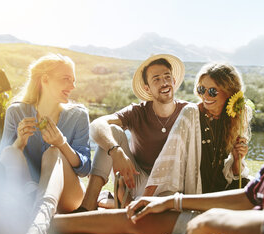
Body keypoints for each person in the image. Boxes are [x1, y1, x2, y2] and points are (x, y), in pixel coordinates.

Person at [52, 0, 264, 234]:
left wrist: (214, 216)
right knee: (136, 221)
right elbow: (255, 194)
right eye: (201, 91)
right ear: (148, 86)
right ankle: (56, 225)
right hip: (158, 190)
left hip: (225, 218)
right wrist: (171, 198)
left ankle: (49, 228)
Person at [0, 53, 91, 234]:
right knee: (11, 152)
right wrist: (20, 143)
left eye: (74, 81)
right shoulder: (16, 112)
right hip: (28, 188)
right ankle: (33, 221)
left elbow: (84, 169)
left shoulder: (78, 115)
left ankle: (39, 222)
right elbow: (4, 160)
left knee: (53, 152)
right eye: (66, 79)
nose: (73, 87)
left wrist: (62, 143)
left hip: (68, 194)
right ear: (45, 79)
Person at [78, 54, 188, 211]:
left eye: (167, 77)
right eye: (156, 79)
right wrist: (116, 152)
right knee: (112, 131)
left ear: (174, 81)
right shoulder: (137, 112)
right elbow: (97, 125)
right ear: (147, 88)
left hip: (171, 184)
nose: (163, 83)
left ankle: (119, 201)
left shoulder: (188, 111)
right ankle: (87, 206)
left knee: (155, 211)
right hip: (137, 179)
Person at [143, 62, 251, 197]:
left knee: (251, 188)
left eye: (212, 91)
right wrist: (145, 198)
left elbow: (236, 174)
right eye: (201, 89)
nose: (205, 96)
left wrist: (237, 159)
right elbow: (168, 157)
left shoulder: (234, 118)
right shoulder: (191, 113)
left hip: (223, 191)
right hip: (198, 194)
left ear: (229, 92)